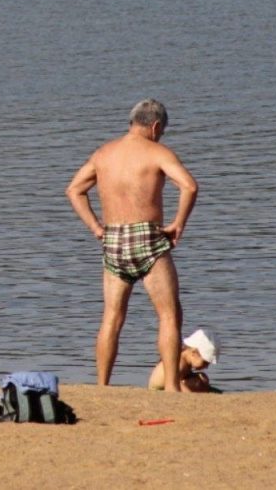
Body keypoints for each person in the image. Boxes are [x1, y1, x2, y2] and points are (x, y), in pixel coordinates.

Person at [66, 99, 198, 392]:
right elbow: (189, 186)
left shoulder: (103, 154)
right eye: (161, 131)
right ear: (155, 126)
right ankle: (173, 388)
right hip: (148, 237)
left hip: (113, 239)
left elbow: (74, 190)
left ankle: (102, 385)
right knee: (169, 314)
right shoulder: (158, 152)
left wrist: (96, 228)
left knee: (112, 315)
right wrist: (178, 224)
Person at [148, 328, 219, 392]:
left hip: (168, 385)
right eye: (205, 362)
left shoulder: (184, 359)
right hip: (158, 389)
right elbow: (175, 383)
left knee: (202, 378)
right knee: (197, 383)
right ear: (194, 353)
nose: (206, 367)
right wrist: (190, 397)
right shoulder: (180, 363)